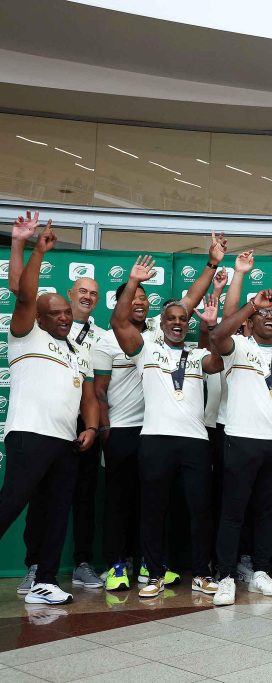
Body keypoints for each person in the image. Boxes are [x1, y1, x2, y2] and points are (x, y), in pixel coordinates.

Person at [93, 231, 227, 591]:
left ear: (189, 323)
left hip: (195, 441)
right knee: (152, 510)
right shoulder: (146, 350)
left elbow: (220, 358)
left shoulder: (198, 355)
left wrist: (211, 326)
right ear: (162, 323)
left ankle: (200, 573)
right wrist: (135, 280)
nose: (178, 322)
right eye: (172, 318)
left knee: (200, 509)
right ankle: (150, 574)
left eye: (184, 319)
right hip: (151, 438)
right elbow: (120, 324)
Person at [0, 219, 98, 605]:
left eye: (65, 313)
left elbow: (89, 394)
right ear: (40, 317)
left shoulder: (78, 348)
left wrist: (91, 426)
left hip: (65, 440)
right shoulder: (26, 334)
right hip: (30, 434)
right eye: (55, 313)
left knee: (58, 511)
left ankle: (44, 580)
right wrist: (32, 249)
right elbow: (24, 296)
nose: (63, 317)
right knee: (11, 504)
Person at [209, 287, 272, 606]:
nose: (270, 318)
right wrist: (252, 305)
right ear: (251, 320)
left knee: (266, 512)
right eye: (264, 314)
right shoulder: (238, 346)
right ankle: (225, 577)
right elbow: (217, 335)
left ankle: (261, 571)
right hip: (241, 439)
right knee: (233, 513)